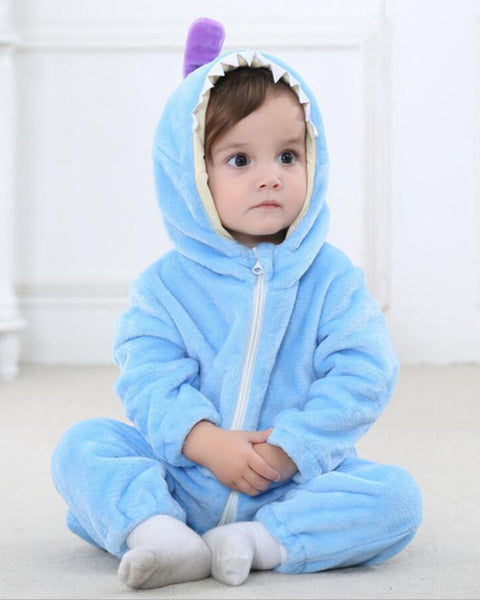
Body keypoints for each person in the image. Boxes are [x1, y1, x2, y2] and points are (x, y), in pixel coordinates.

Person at [51, 19, 423, 590]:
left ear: (313, 159)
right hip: (182, 473)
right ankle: (159, 532)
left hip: (287, 484)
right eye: (240, 160)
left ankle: (257, 541)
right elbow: (147, 376)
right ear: (194, 175)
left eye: (288, 156)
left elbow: (364, 373)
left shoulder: (332, 280)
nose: (270, 178)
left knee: (396, 500)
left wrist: (291, 449)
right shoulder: (164, 286)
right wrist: (204, 442)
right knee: (82, 447)